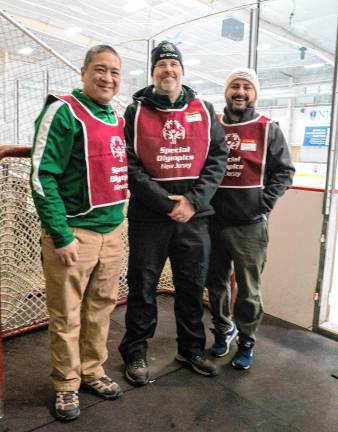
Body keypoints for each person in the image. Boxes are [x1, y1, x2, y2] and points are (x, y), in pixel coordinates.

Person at [118, 41, 228, 385]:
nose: (168, 70)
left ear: (182, 71)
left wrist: (192, 201)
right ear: (153, 72)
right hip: (150, 219)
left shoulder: (205, 110)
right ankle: (135, 351)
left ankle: (191, 348)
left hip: (195, 218)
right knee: (143, 286)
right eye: (161, 65)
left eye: (173, 64)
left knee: (192, 287)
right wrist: (167, 204)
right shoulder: (134, 113)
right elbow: (129, 165)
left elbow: (218, 159)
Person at [30, 45, 128, 421]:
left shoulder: (114, 117)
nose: (107, 78)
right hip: (74, 235)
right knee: (66, 315)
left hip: (112, 231)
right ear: (84, 72)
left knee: (101, 309)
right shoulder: (64, 111)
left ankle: (92, 370)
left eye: (115, 72)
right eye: (100, 70)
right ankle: (67, 384)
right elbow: (43, 176)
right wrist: (60, 234)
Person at [207, 67, 295, 370]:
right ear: (226, 91)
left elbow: (285, 172)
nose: (240, 92)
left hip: (249, 225)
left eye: (246, 87)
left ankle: (246, 340)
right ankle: (222, 329)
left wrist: (264, 203)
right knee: (215, 283)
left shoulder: (268, 128)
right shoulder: (213, 125)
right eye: (235, 86)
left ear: (255, 93)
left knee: (249, 289)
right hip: (212, 222)